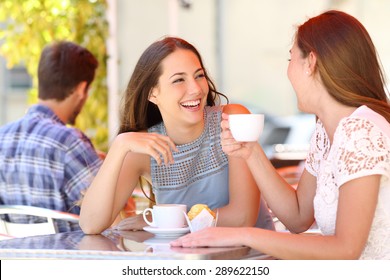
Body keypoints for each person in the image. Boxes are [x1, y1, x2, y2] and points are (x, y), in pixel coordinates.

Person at [171, 10, 390, 260]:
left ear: (311, 63)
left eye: (290, 59)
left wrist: (243, 234)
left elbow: (345, 250)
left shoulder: (359, 130)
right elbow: (297, 216)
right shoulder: (326, 133)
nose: (288, 72)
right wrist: (251, 152)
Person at [79, 36, 275, 234]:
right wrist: (119, 146)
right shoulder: (145, 148)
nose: (196, 89)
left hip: (251, 258)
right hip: (183, 262)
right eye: (179, 80)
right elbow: (90, 224)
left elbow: (242, 218)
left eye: (199, 75)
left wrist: (163, 221)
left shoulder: (231, 121)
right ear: (152, 93)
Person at [0, 41, 102, 232]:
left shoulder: (2, 138)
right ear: (81, 89)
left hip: (12, 258)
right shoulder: (69, 143)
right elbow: (109, 213)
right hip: (65, 259)